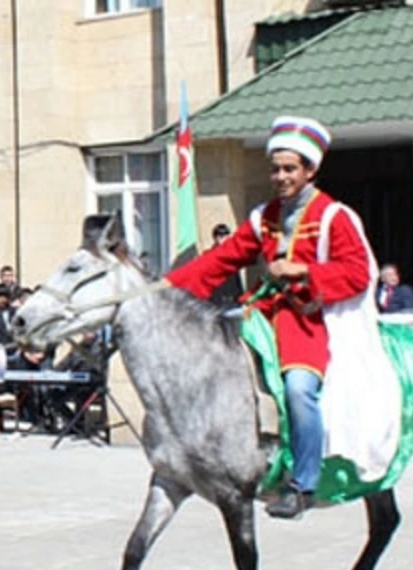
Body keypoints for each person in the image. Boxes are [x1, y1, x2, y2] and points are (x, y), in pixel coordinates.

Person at [165, 116, 386, 520]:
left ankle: (303, 484)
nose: (280, 177)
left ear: (310, 170)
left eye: (289, 169)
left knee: (299, 388)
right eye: (276, 169)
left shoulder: (334, 216)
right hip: (262, 315)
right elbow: (221, 259)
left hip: (311, 321)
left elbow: (358, 273)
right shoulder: (263, 217)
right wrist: (165, 288)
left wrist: (302, 272)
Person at [207, 223, 245, 309]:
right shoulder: (210, 256)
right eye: (222, 236)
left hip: (233, 299)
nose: (226, 238)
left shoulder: (232, 255)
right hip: (217, 301)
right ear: (216, 238)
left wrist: (241, 297)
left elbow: (237, 279)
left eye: (227, 235)